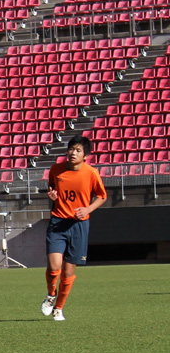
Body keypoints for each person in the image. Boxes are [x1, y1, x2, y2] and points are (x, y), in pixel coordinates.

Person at [40, 135, 107, 321]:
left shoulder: (91, 173)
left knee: (68, 273)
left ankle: (59, 308)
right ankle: (50, 295)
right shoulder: (56, 169)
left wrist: (87, 209)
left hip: (79, 225)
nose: (73, 153)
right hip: (58, 223)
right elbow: (52, 187)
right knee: (54, 266)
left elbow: (102, 196)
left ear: (85, 156)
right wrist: (52, 195)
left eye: (78, 150)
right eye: (71, 149)